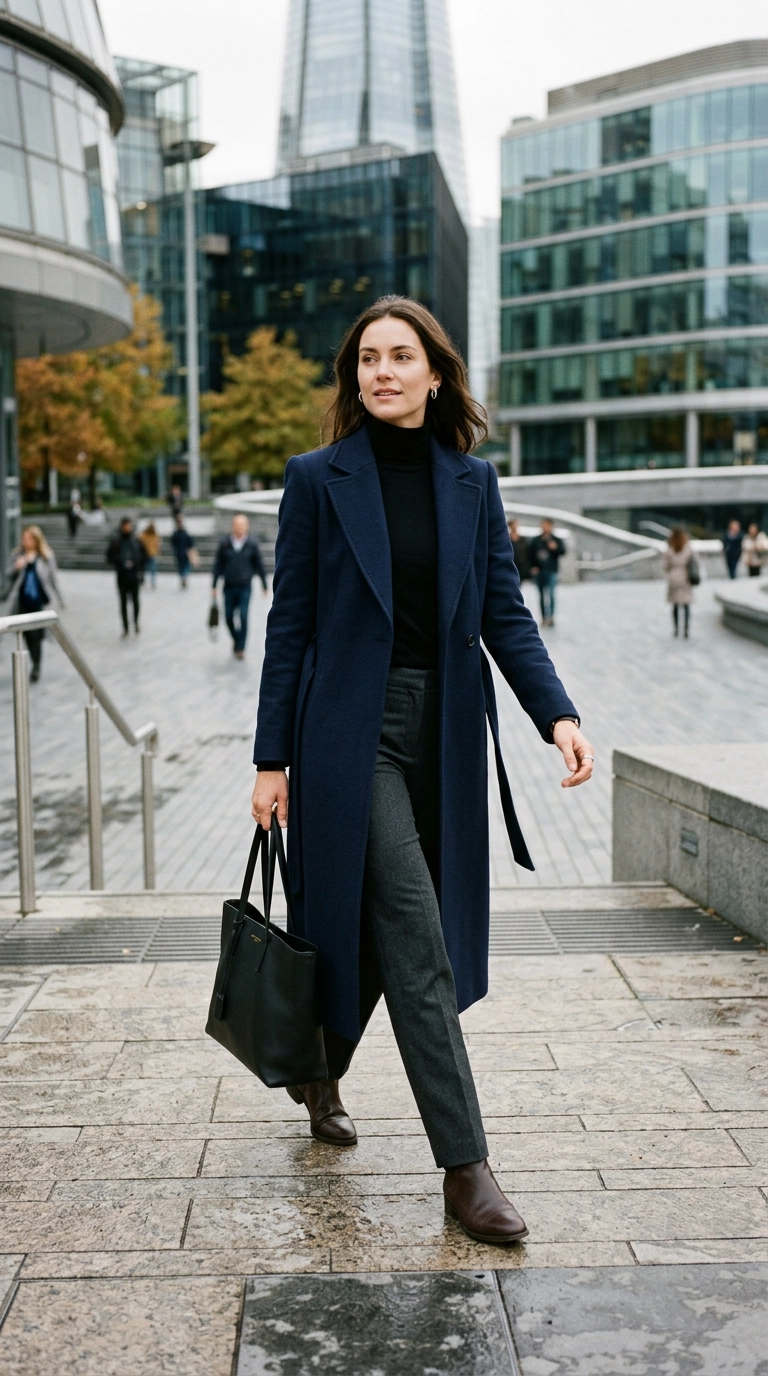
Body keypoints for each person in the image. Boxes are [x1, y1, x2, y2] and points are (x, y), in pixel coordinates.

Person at [251, 296, 593, 1247]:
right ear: (353, 376)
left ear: (435, 373)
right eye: (368, 359)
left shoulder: (472, 484)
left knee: (381, 925)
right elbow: (292, 625)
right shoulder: (318, 479)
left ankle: (315, 1067)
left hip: (441, 731)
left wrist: (556, 713)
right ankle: (465, 1168)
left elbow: (503, 614)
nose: (384, 372)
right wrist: (270, 756)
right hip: (344, 736)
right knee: (415, 930)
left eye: (402, 357)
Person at [6, 525, 64, 681]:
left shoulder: (45, 556)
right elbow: (8, 574)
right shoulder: (19, 555)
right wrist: (17, 567)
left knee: (36, 635)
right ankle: (34, 660)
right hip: (23, 601)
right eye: (24, 538)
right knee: (26, 635)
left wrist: (60, 601)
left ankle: (36, 666)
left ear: (36, 540)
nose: (26, 541)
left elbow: (53, 579)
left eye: (29, 538)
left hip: (39, 602)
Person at [211, 514, 267, 658]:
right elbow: (218, 565)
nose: (240, 528)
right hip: (229, 587)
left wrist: (264, 585)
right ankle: (236, 639)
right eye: (237, 525)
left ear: (247, 527)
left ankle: (241, 647)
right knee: (228, 616)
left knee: (243, 615)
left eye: (243, 525)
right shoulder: (225, 543)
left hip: (245, 587)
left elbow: (259, 565)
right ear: (233, 526)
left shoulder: (252, 544)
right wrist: (214, 586)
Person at [107, 517, 144, 636]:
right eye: (125, 525)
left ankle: (136, 622)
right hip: (122, 576)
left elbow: (143, 555)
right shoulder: (116, 542)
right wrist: (119, 562)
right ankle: (125, 626)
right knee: (123, 603)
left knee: (135, 602)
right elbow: (109, 557)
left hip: (134, 576)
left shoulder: (136, 541)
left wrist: (137, 566)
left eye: (129, 525)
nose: (127, 528)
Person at [528, 518, 565, 627]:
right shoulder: (536, 540)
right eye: (544, 525)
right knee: (542, 595)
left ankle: (551, 617)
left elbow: (562, 551)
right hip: (540, 571)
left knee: (552, 594)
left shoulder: (555, 540)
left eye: (547, 525)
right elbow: (530, 554)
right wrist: (533, 566)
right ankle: (544, 617)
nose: (545, 527)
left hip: (552, 570)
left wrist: (555, 548)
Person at [663, 526, 694, 638]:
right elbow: (695, 562)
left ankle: (676, 629)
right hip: (685, 577)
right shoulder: (687, 548)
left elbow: (666, 566)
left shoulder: (670, 549)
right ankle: (686, 629)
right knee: (686, 605)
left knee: (675, 605)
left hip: (674, 578)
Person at [170, 514, 195, 588]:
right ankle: (183, 576)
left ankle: (183, 576)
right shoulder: (182, 533)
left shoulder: (178, 533)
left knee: (183, 567)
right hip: (183, 553)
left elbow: (173, 542)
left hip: (181, 553)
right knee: (184, 567)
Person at [139, 522, 161, 588]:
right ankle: (146, 581)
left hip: (150, 554)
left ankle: (152, 582)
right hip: (146, 554)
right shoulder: (145, 534)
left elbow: (157, 544)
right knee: (147, 569)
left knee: (151, 569)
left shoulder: (154, 535)